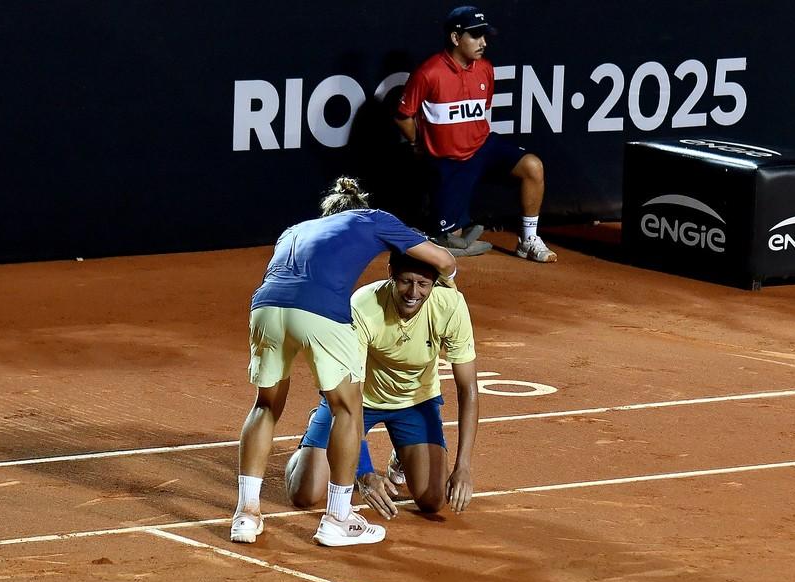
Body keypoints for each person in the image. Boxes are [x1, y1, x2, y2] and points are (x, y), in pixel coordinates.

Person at [232, 177, 456, 547]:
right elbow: (444, 259)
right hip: (319, 310)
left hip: (265, 307)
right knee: (347, 410)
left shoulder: (294, 230)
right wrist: (450, 280)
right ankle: (338, 517)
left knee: (266, 405)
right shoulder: (374, 218)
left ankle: (246, 515)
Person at [284, 250, 478, 520]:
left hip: (415, 402)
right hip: (357, 400)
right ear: (390, 274)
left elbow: (467, 390)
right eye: (405, 281)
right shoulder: (363, 307)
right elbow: (349, 394)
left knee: (433, 500)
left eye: (423, 284)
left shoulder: (451, 306)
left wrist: (464, 466)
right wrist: (363, 472)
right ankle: (314, 434)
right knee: (304, 494)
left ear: (434, 282)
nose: (413, 292)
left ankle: (402, 453)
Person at [394, 5, 557, 263]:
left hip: (482, 146)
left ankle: (528, 240)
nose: (483, 43)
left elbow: (480, 113)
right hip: (449, 160)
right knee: (451, 238)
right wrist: (418, 143)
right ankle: (435, 229)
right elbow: (403, 115)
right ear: (455, 38)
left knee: (532, 167)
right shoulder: (428, 73)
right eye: (475, 36)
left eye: (484, 36)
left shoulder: (485, 68)